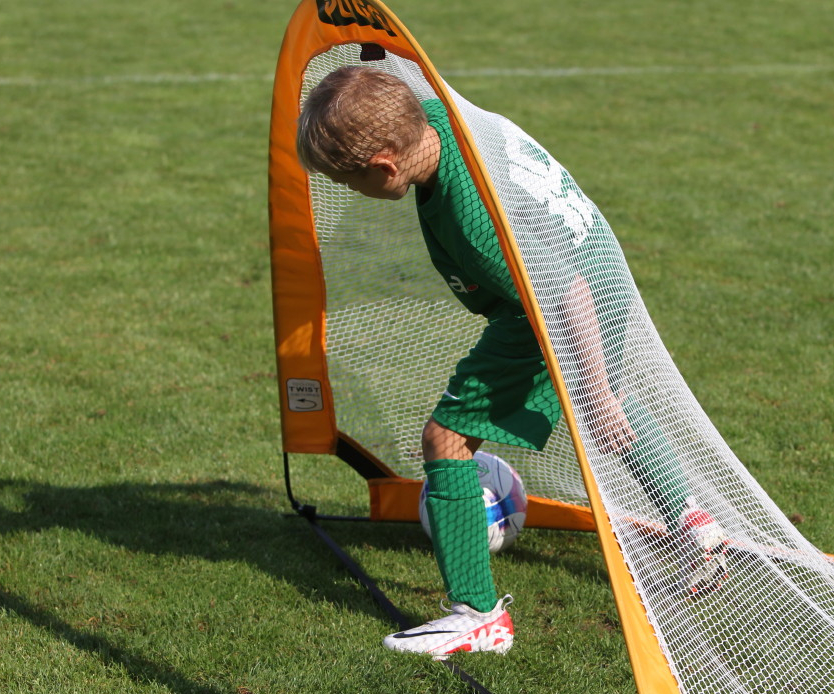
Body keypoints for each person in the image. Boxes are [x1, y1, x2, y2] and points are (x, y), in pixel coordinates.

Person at [296, 65, 728, 658]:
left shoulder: (475, 223)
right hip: (596, 259)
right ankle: (692, 524)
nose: (349, 193)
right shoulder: (436, 117)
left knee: (446, 439)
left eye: (349, 181)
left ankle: (477, 616)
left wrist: (594, 389)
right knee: (611, 413)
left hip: (558, 307)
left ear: (386, 165)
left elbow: (565, 293)